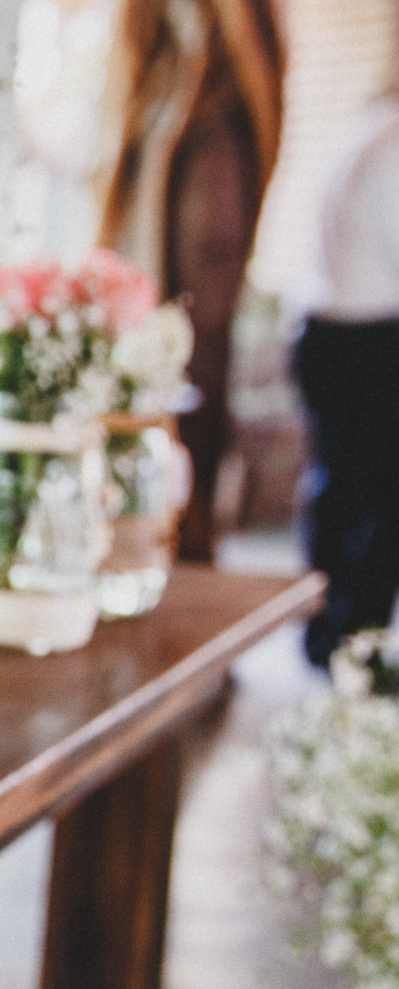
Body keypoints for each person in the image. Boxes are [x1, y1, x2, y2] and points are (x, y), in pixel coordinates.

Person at [97, 0, 285, 563]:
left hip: (190, 330)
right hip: (149, 314)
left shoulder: (220, 116)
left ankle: (183, 550)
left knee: (187, 433)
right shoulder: (156, 86)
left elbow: (212, 253)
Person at [295, 93, 399, 666]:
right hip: (369, 340)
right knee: (384, 503)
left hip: (322, 329)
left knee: (338, 489)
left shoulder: (365, 132)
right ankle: (357, 643)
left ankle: (324, 632)